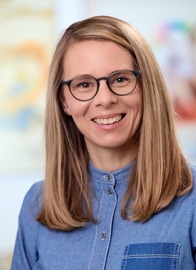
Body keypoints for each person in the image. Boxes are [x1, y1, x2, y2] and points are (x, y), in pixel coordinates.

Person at [11, 15, 196, 270]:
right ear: (64, 100)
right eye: (84, 84)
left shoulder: (192, 201)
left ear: (146, 87)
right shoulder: (37, 205)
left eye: (120, 79)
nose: (105, 99)